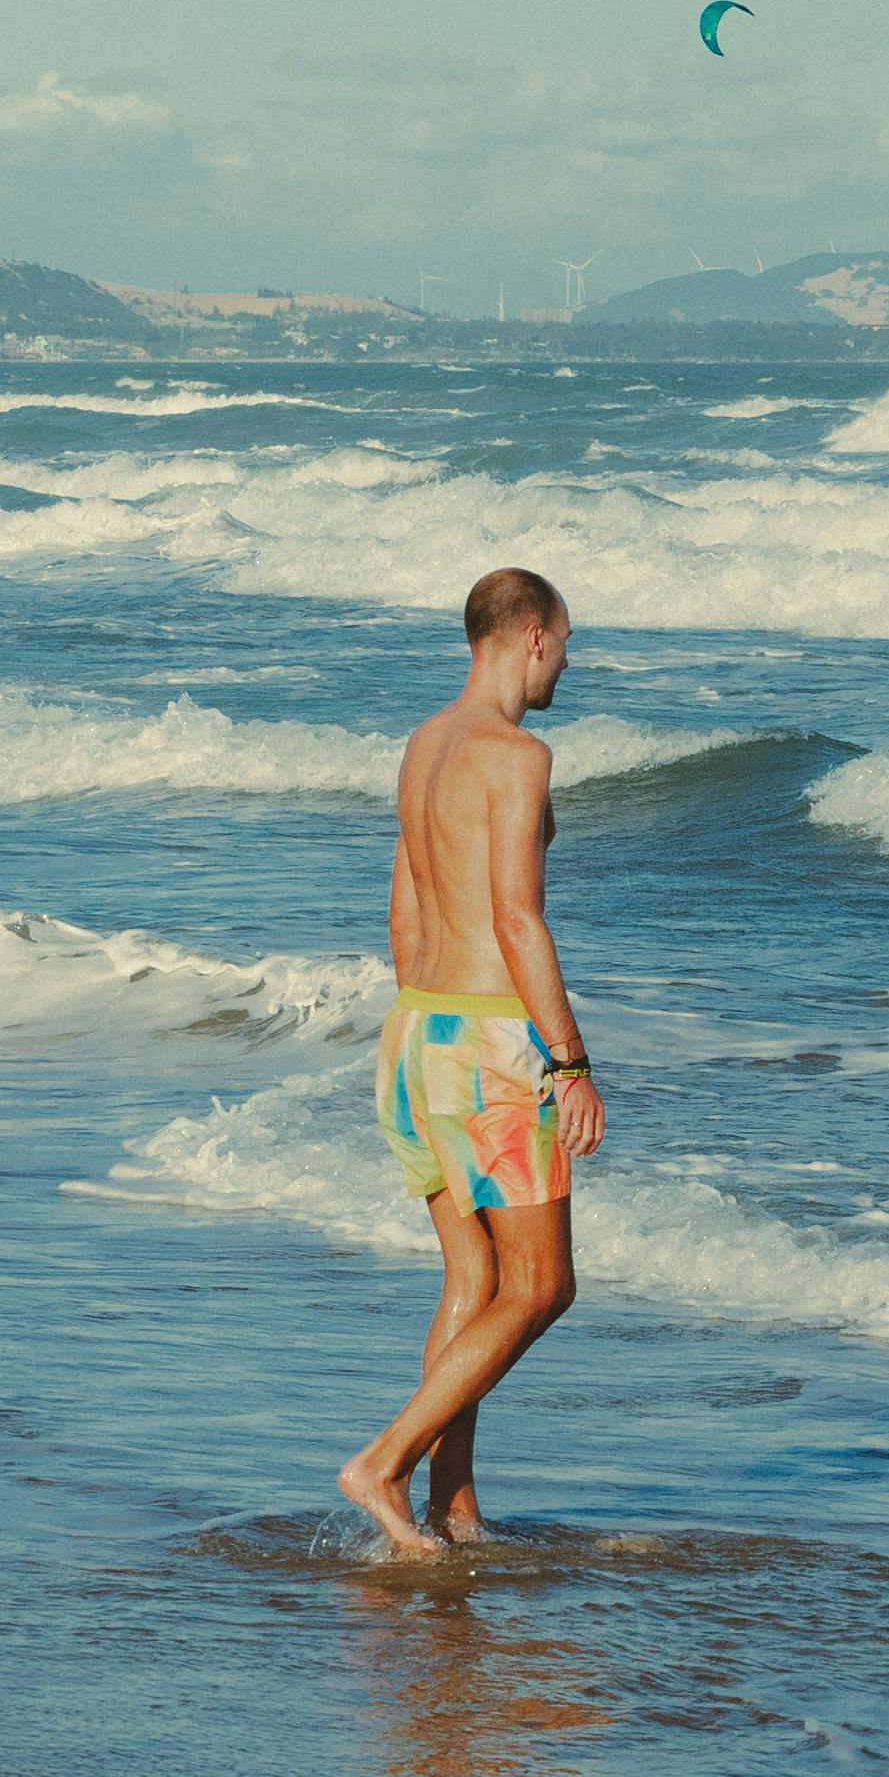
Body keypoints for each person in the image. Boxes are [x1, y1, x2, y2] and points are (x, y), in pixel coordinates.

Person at [336, 569, 604, 1559]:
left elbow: (407, 908)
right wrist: (567, 1062)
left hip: (415, 1034)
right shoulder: (515, 755)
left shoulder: (423, 748)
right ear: (531, 636)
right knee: (540, 1287)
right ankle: (386, 1461)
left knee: (472, 1274)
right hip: (491, 1041)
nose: (568, 664)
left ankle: (453, 1509)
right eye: (566, 643)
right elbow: (515, 916)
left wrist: (426, 1032)